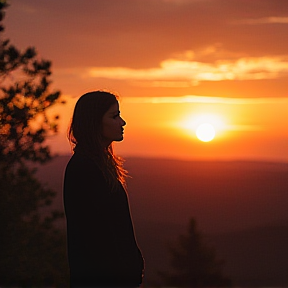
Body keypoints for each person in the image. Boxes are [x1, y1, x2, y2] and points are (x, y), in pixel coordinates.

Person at [63, 91, 144, 287]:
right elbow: (95, 238)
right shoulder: (84, 168)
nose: (122, 122)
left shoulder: (98, 165)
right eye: (114, 116)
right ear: (95, 122)